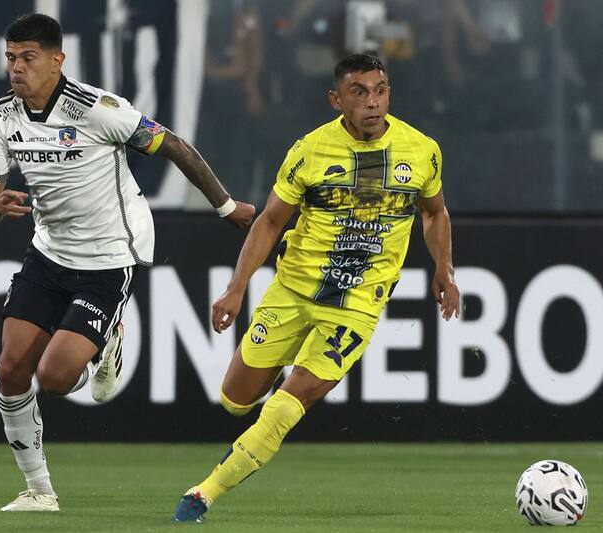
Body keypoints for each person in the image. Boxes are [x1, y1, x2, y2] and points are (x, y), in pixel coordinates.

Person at [0, 13, 254, 512]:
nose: (16, 67)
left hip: (108, 255)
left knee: (56, 380)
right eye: (11, 57)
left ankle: (106, 341)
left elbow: (174, 146)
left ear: (57, 61)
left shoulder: (97, 110)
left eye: (28, 58)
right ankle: (39, 491)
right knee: (11, 370)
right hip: (48, 252)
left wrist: (227, 207)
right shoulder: (1, 117)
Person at [173, 53, 460, 522]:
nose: (373, 101)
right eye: (359, 92)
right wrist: (236, 287)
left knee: (290, 403)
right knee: (235, 399)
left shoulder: (421, 149)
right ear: (336, 100)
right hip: (294, 291)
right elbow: (269, 222)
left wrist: (444, 270)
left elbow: (433, 212)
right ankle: (269, 391)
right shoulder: (309, 151)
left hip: (358, 305)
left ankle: (205, 492)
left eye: (380, 90)